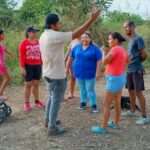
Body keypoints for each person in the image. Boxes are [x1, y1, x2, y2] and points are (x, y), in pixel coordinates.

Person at [39, 8, 100, 136]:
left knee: (51, 97)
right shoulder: (54, 35)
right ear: (53, 25)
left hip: (47, 73)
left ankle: (48, 120)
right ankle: (52, 127)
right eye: (58, 23)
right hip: (56, 75)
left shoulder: (43, 35)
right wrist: (92, 19)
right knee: (56, 100)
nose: (60, 25)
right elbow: (78, 33)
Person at [91, 32, 128, 134]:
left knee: (106, 104)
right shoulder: (122, 49)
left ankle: (103, 127)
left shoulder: (115, 49)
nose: (108, 41)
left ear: (116, 40)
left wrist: (103, 52)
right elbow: (126, 61)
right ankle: (116, 123)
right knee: (117, 102)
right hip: (120, 78)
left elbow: (104, 62)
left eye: (110, 39)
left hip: (114, 80)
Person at [66, 32, 102, 112]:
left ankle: (93, 105)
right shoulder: (77, 47)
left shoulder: (95, 49)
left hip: (90, 73)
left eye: (86, 37)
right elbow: (71, 58)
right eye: (83, 37)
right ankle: (83, 103)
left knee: (90, 89)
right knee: (82, 89)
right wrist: (68, 69)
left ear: (90, 39)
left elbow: (99, 61)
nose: (84, 39)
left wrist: (98, 72)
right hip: (79, 72)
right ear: (80, 39)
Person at [122, 21, 150, 125]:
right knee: (130, 90)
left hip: (136, 69)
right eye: (124, 28)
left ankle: (145, 117)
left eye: (127, 27)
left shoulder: (138, 38)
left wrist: (138, 64)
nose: (125, 29)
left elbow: (144, 54)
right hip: (129, 70)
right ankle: (132, 111)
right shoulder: (130, 40)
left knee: (138, 92)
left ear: (133, 27)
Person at [19, 26, 44, 112]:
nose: (35, 33)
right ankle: (26, 103)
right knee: (28, 84)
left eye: (35, 32)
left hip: (38, 65)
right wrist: (22, 67)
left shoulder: (39, 42)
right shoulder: (24, 43)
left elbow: (41, 54)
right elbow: (21, 56)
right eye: (33, 32)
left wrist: (42, 64)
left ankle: (37, 101)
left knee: (36, 84)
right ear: (28, 33)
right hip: (28, 66)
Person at [0, 29, 11, 100]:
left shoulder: (1, 43)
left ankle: (1, 94)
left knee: (2, 80)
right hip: (1, 64)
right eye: (3, 34)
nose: (4, 35)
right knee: (7, 78)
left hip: (1, 64)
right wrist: (2, 64)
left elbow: (4, 49)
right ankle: (0, 94)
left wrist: (10, 54)